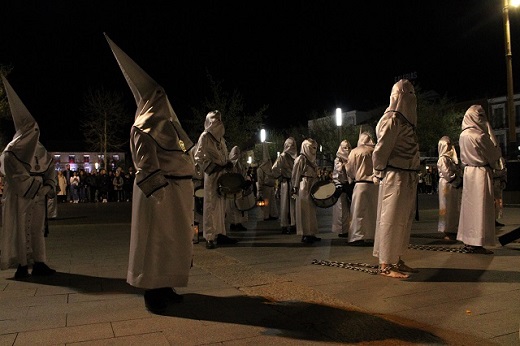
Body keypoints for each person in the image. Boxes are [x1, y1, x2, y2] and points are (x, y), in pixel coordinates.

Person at [106, 34, 195, 313]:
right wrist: (163, 196)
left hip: (178, 193)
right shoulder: (141, 128)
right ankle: (152, 291)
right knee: (156, 241)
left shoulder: (170, 124)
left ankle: (166, 284)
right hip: (160, 195)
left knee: (173, 242)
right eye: (157, 94)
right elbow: (146, 167)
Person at [0, 75, 57, 279]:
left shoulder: (39, 149)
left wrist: (48, 186)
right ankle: (23, 265)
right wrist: (35, 187)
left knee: (38, 228)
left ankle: (40, 262)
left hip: (38, 194)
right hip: (23, 196)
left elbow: (50, 166)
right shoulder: (11, 151)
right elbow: (15, 175)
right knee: (22, 228)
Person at [372, 79, 420, 278]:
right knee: (390, 219)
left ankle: (396, 258)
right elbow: (381, 149)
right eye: (406, 93)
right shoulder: (393, 119)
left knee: (402, 220)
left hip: (407, 175)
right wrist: (378, 170)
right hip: (395, 176)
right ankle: (386, 264)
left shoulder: (404, 121)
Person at [457, 105, 502, 254]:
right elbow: (494, 155)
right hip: (481, 172)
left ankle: (468, 240)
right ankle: (478, 242)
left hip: (469, 173)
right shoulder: (480, 136)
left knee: (470, 208)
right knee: (481, 208)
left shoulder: (463, 135)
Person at [194, 110, 237, 249]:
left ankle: (221, 234)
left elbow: (224, 156)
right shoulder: (205, 137)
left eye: (219, 119)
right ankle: (210, 237)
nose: (218, 122)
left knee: (221, 205)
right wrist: (211, 168)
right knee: (210, 206)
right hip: (212, 175)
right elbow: (198, 157)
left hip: (222, 175)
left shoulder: (221, 139)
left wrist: (228, 163)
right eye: (215, 120)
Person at [345, 131, 377, 246]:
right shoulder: (375, 151)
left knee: (358, 212)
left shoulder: (354, 152)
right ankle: (372, 235)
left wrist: (354, 176)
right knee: (372, 212)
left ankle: (357, 236)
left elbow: (349, 169)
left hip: (360, 184)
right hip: (374, 186)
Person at [291, 138, 320, 244]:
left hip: (312, 183)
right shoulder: (300, 159)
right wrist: (295, 186)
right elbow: (295, 174)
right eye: (310, 147)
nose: (313, 149)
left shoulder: (312, 159)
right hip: (304, 184)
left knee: (312, 210)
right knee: (304, 210)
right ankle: (305, 234)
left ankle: (312, 232)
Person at [436, 136, 462, 240]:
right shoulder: (442, 159)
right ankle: (447, 229)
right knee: (446, 207)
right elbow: (446, 173)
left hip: (452, 184)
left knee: (453, 207)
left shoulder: (450, 159)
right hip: (446, 185)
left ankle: (452, 228)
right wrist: (455, 180)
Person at [272, 137, 297, 234]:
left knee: (294, 205)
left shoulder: (297, 157)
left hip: (293, 183)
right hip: (286, 183)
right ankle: (285, 225)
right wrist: (280, 176)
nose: (292, 147)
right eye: (291, 145)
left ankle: (293, 224)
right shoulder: (282, 156)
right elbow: (274, 168)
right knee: (285, 205)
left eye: (294, 145)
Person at [331, 140, 352, 238]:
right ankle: (342, 230)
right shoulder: (338, 160)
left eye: (348, 147)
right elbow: (339, 171)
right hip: (341, 185)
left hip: (350, 185)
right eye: (345, 148)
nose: (347, 150)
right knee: (341, 209)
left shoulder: (351, 158)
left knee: (350, 209)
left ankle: (349, 228)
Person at [226, 146, 248, 231]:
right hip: (231, 189)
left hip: (239, 188)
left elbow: (243, 174)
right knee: (232, 208)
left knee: (239, 207)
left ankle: (239, 223)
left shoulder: (240, 164)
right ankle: (233, 224)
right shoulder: (230, 164)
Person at [493, 157, 507, 227]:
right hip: (491, 180)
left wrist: (504, 180)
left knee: (497, 202)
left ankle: (495, 219)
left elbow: (504, 170)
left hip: (498, 182)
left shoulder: (501, 159)